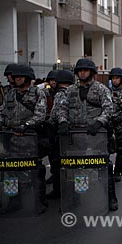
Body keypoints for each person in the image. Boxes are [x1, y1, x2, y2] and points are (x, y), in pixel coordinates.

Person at [55, 58, 118, 211]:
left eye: (85, 70)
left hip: (95, 134)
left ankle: (111, 198)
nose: (82, 73)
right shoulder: (70, 90)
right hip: (74, 135)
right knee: (72, 167)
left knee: (104, 164)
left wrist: (100, 122)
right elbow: (61, 108)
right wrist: (62, 121)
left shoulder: (101, 89)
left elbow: (109, 108)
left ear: (92, 72)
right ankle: (73, 199)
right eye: (80, 70)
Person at [0, 64, 48, 213]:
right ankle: (14, 200)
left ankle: (40, 201)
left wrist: (26, 125)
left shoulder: (37, 93)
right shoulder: (9, 94)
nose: (18, 79)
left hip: (30, 137)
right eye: (16, 77)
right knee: (12, 171)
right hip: (12, 138)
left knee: (35, 169)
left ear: (28, 78)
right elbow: (3, 113)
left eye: (21, 77)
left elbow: (40, 114)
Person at [46, 69, 75, 199]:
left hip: (59, 132)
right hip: (73, 132)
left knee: (57, 163)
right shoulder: (75, 92)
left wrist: (49, 124)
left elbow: (55, 114)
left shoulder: (59, 95)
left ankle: (59, 191)